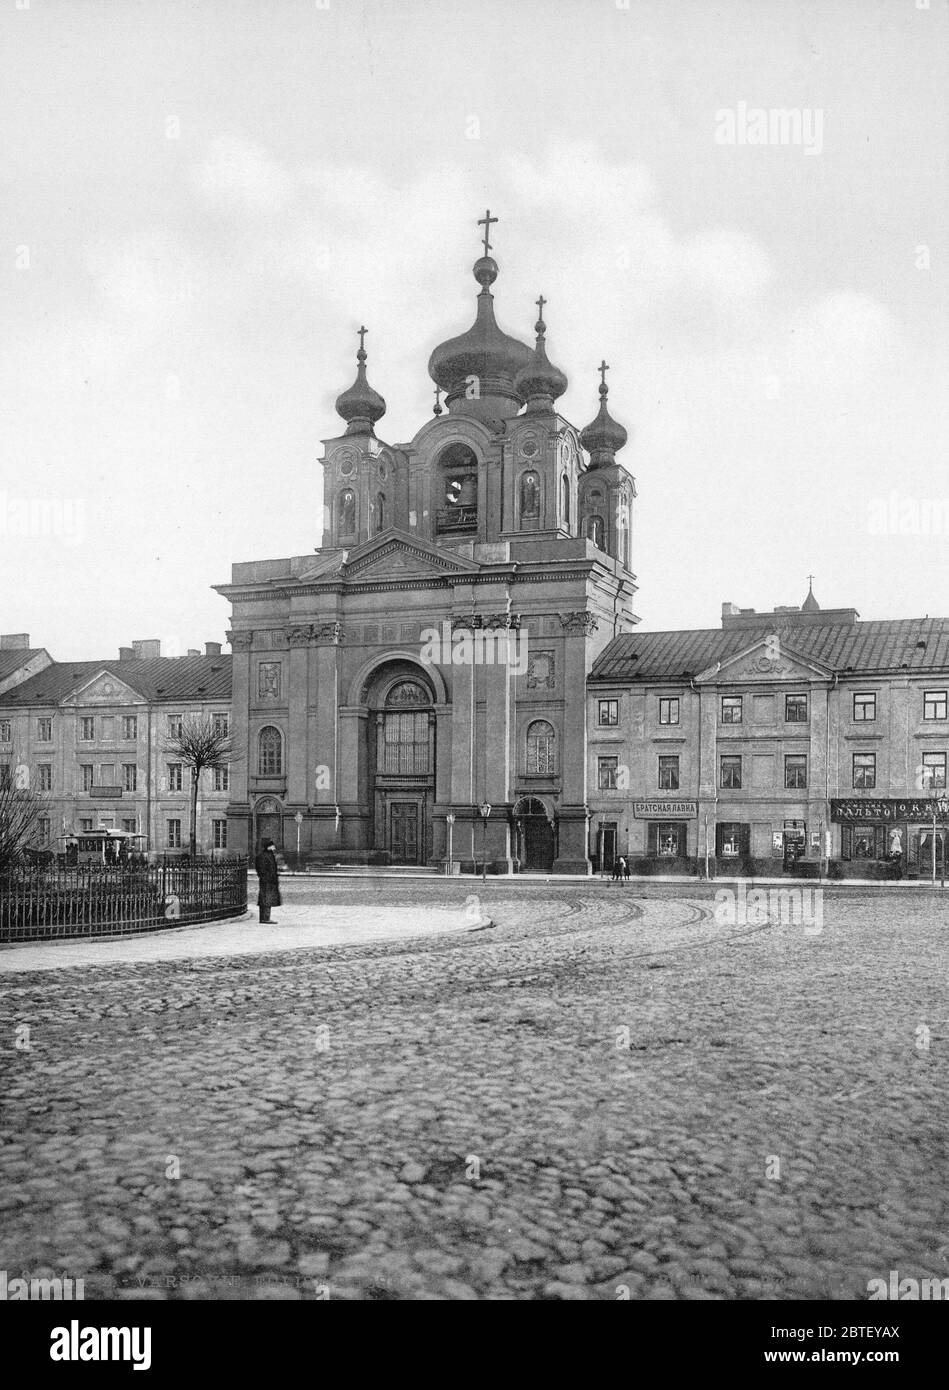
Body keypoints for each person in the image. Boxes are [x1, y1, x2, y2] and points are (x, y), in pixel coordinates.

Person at [255, 837, 281, 923]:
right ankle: (265, 918)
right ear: (268, 847)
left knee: (267, 899)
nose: (274, 848)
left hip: (270, 881)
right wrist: (267, 877)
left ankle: (265, 918)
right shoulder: (263, 856)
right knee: (266, 899)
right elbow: (262, 869)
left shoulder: (269, 855)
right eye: (273, 846)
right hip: (267, 881)